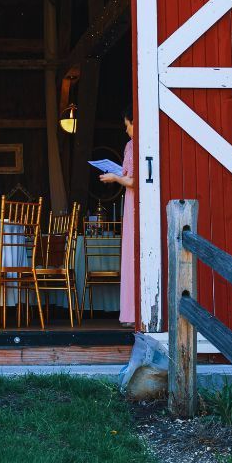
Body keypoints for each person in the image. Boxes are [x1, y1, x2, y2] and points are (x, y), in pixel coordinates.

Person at [99, 106, 135, 327]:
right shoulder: (131, 145)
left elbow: (132, 181)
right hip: (132, 200)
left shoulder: (136, 145)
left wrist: (115, 177)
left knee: (133, 251)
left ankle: (133, 312)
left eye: (128, 125)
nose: (127, 130)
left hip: (134, 199)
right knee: (131, 252)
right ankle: (132, 311)